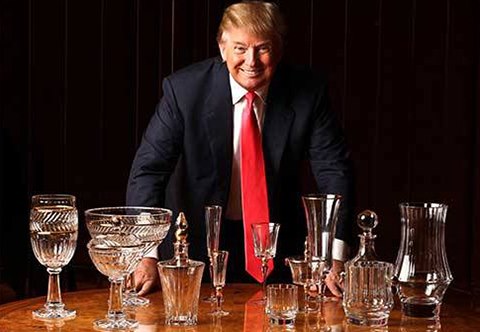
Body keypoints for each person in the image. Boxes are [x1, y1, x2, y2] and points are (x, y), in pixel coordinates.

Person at [126, 1, 353, 298]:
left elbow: (335, 173)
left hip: (278, 251)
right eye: (240, 48)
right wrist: (146, 255)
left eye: (263, 48)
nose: (251, 61)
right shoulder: (184, 91)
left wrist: (335, 258)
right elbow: (148, 172)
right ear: (222, 48)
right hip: (192, 248)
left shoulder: (308, 93)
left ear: (279, 49)